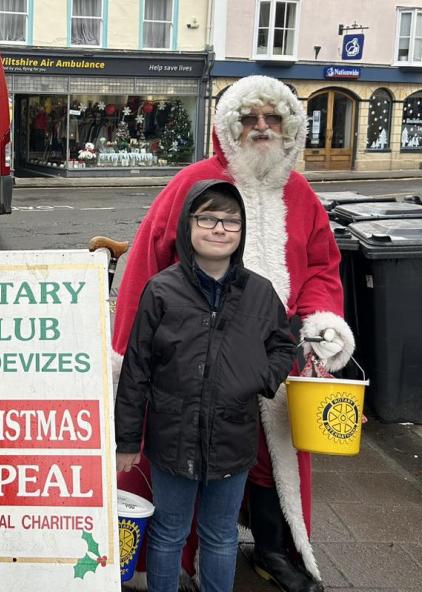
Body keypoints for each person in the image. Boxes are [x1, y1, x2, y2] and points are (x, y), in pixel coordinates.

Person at [113, 75, 355, 592]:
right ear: (230, 126)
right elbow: (146, 269)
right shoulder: (193, 182)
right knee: (183, 460)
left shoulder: (300, 193)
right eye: (250, 119)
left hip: (272, 357)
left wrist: (320, 325)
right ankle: (176, 560)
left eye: (272, 119)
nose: (262, 128)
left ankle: (273, 551)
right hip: (190, 360)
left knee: (270, 460)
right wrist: (125, 352)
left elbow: (320, 268)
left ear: (288, 126)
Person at [116, 180, 295, 592]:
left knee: (220, 534)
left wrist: (261, 378)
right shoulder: (162, 291)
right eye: (208, 218)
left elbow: (283, 345)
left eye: (230, 220)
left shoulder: (260, 293)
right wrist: (128, 439)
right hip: (172, 436)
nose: (219, 228)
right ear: (188, 225)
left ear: (242, 230)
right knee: (169, 530)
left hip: (232, 438)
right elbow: (137, 370)